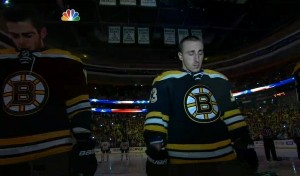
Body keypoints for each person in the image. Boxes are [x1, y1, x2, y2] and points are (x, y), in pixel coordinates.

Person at [0, 4, 97, 176]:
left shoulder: (64, 60)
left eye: (27, 35)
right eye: (15, 36)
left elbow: (78, 105)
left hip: (52, 152)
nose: (21, 41)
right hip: (5, 155)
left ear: (42, 33)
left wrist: (83, 142)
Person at [143, 36, 258, 176]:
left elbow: (233, 117)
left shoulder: (220, 79)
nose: (196, 59)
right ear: (180, 56)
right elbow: (157, 119)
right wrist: (155, 150)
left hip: (224, 160)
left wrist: (245, 144)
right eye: (191, 53)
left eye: (200, 52)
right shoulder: (165, 80)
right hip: (181, 164)